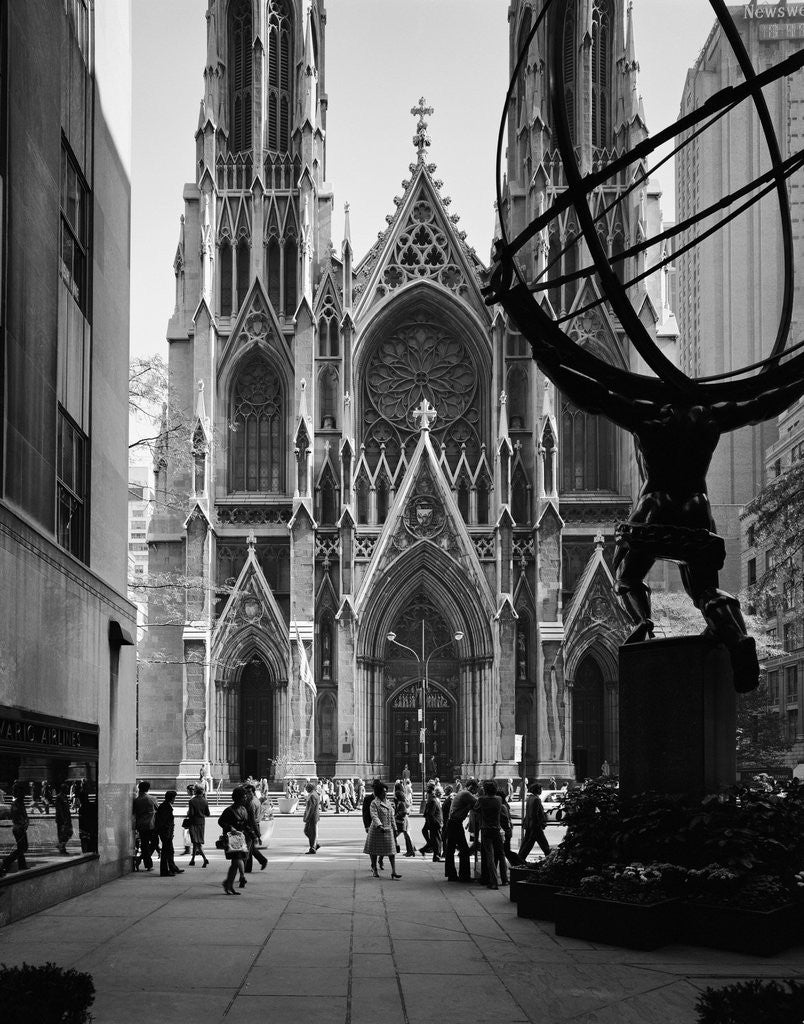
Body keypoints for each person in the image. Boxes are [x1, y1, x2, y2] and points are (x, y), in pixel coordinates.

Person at [364, 780, 401, 878]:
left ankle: (394, 871)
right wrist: (379, 825)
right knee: (374, 851)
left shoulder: (388, 802)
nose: (386, 793)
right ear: (379, 792)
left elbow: (392, 816)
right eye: (384, 791)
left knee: (391, 851)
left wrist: (395, 828)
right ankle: (375, 869)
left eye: (386, 791)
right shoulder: (374, 803)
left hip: (388, 830)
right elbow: (374, 815)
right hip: (377, 830)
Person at [444, 780, 478, 882]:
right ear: (472, 787)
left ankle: (451, 874)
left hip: (453, 823)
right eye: (476, 788)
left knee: (450, 850)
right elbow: (478, 803)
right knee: (464, 850)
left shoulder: (462, 793)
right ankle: (464, 875)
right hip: (455, 823)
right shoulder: (466, 794)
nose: (476, 791)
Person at [218, 786, 249, 895]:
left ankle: (228, 884)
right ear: (237, 798)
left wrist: (253, 836)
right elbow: (220, 822)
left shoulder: (244, 809)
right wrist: (230, 827)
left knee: (235, 863)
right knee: (235, 862)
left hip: (240, 839)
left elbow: (246, 825)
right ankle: (228, 884)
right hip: (231, 839)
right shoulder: (229, 811)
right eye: (243, 797)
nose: (245, 799)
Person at [476, 780, 507, 889]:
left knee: (490, 856)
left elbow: (476, 809)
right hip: (497, 829)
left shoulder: (482, 799)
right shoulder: (499, 799)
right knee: (501, 854)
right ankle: (504, 879)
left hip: (486, 830)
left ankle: (493, 881)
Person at [0, 783, 29, 876]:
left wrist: (26, 821)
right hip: (18, 828)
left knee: (21, 847)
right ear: (19, 793)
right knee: (23, 847)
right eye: (23, 792)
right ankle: (7, 861)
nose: (24, 794)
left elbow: (24, 815)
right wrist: (23, 823)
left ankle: (22, 864)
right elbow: (16, 816)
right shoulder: (16, 803)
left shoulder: (20, 803)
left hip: (20, 827)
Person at [518, 783, 551, 863]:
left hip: (530, 824)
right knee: (544, 845)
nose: (541, 791)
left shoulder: (530, 798)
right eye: (541, 789)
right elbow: (535, 814)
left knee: (528, 843)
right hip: (535, 826)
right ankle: (550, 860)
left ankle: (519, 858)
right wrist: (540, 824)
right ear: (538, 790)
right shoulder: (536, 799)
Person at [155, 790, 183, 877]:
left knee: (170, 851)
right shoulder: (166, 807)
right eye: (174, 798)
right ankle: (164, 871)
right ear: (171, 798)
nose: (175, 799)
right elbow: (165, 823)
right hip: (166, 833)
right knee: (166, 852)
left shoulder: (165, 806)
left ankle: (172, 867)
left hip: (167, 833)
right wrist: (168, 833)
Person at [132, 780, 158, 871]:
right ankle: (142, 859)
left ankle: (147, 864)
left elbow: (134, 812)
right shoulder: (152, 799)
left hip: (141, 825)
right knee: (154, 843)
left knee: (144, 845)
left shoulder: (136, 801)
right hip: (150, 825)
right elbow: (158, 810)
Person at [243, 784, 268, 872]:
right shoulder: (256, 800)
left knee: (248, 847)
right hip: (254, 825)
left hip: (251, 826)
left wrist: (257, 834)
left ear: (253, 792)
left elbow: (252, 819)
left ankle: (248, 867)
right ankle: (262, 861)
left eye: (248, 792)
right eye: (245, 792)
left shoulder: (251, 803)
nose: (246, 794)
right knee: (251, 848)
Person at [187, 784, 210, 867]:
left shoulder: (192, 801)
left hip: (193, 822)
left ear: (195, 791)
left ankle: (205, 859)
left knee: (196, 842)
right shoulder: (205, 801)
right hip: (201, 823)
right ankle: (192, 860)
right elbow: (208, 813)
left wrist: (188, 813)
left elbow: (191, 813)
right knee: (197, 842)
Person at [421, 781, 443, 861]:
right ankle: (436, 856)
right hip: (435, 823)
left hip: (435, 822)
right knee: (437, 840)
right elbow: (430, 814)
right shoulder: (433, 801)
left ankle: (436, 854)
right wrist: (436, 823)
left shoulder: (433, 800)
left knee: (437, 839)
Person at [393, 782, 415, 856]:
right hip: (404, 820)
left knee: (396, 835)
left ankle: (410, 850)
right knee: (406, 835)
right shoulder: (403, 798)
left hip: (401, 821)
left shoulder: (400, 802)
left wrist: (396, 816)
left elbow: (403, 811)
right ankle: (411, 850)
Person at [55, 782, 73, 855]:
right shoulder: (58, 797)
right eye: (66, 789)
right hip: (61, 819)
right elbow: (59, 809)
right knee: (62, 834)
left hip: (67, 818)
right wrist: (64, 819)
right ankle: (62, 849)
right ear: (63, 789)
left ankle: (61, 846)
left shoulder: (65, 796)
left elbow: (66, 808)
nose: (67, 790)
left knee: (69, 832)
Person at [303, 781, 321, 854]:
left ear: (310, 788)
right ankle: (315, 845)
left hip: (312, 817)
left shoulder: (312, 795)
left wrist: (307, 818)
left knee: (310, 832)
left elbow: (311, 808)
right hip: (313, 816)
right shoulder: (314, 794)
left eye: (307, 788)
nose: (306, 789)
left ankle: (313, 847)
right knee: (308, 831)